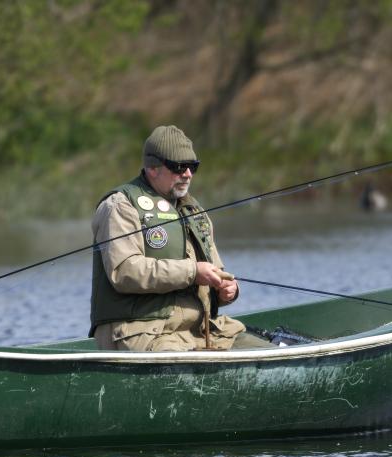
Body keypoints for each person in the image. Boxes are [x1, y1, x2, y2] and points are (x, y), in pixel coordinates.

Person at [89, 125, 271, 351]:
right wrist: (192, 272)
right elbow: (125, 271)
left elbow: (214, 272)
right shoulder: (120, 206)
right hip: (144, 332)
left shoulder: (194, 211)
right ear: (153, 168)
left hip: (200, 330)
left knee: (269, 351)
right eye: (178, 167)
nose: (187, 174)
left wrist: (227, 290)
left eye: (193, 166)